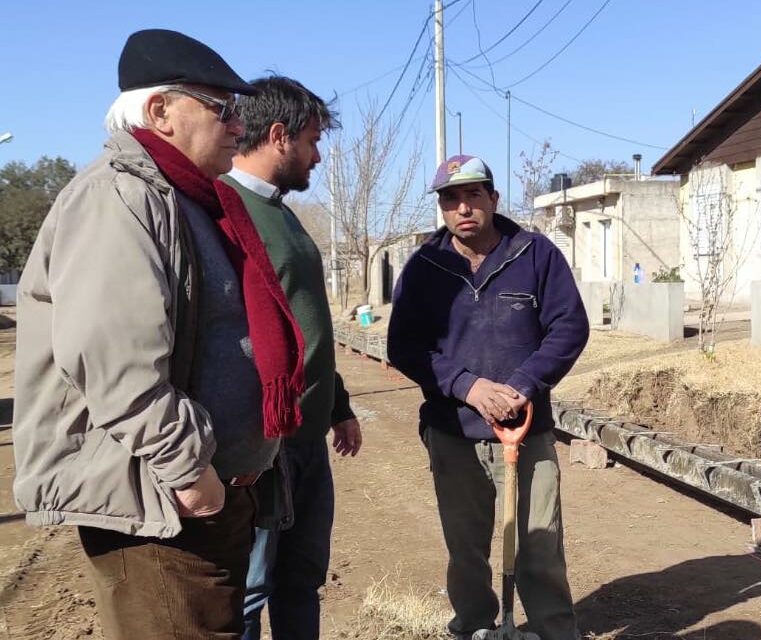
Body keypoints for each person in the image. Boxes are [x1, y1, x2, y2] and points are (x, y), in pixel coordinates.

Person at [12, 29, 307, 638]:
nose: (237, 125)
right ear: (160, 111)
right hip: (160, 510)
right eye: (224, 109)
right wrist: (195, 477)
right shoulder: (117, 199)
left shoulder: (192, 200)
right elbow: (117, 368)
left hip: (198, 500)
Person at [387, 155, 589, 640]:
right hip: (454, 431)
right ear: (441, 208)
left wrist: (523, 384)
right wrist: (468, 387)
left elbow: (569, 327)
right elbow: (404, 346)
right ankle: (475, 626)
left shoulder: (536, 254)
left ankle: (553, 631)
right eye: (450, 199)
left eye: (473, 195)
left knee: (540, 544)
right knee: (467, 547)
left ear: (493, 199)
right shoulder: (425, 268)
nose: (463, 208)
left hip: (527, 432)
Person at [224, 75, 363, 640]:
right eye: (312, 140)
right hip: (263, 444)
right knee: (251, 586)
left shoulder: (281, 213)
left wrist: (338, 405)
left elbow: (305, 325)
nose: (318, 155)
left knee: (301, 578)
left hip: (305, 436)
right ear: (279, 136)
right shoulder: (225, 211)